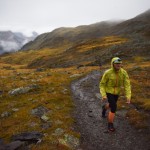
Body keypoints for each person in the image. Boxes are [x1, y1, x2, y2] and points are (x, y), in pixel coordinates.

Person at [99, 57, 131, 132]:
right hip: (109, 91)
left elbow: (127, 85)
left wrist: (128, 96)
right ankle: (110, 124)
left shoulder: (124, 72)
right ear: (112, 64)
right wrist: (103, 94)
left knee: (111, 104)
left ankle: (104, 107)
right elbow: (102, 84)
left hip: (117, 92)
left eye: (119, 63)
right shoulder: (108, 72)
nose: (118, 64)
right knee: (114, 107)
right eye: (116, 63)